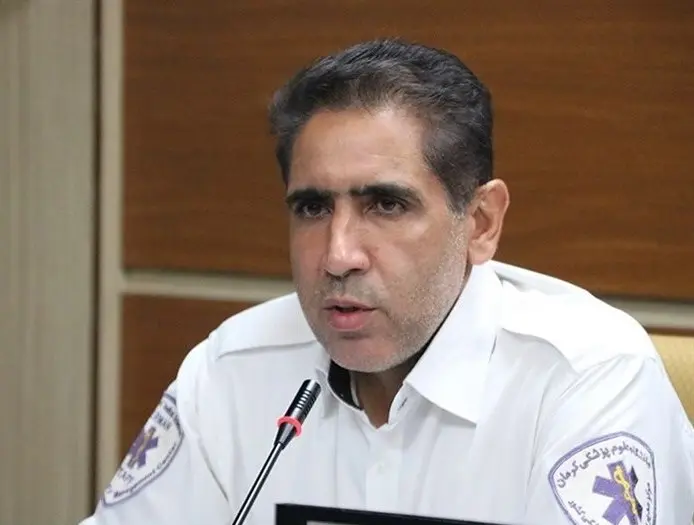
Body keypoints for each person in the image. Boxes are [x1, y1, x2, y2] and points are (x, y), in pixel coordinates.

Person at [79, 38, 694, 525]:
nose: (338, 255)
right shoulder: (231, 370)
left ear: (481, 223)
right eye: (313, 208)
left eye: (387, 205)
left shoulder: (586, 377)